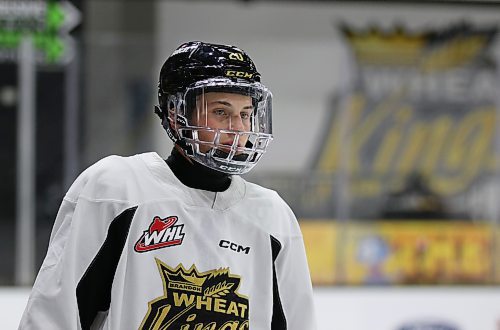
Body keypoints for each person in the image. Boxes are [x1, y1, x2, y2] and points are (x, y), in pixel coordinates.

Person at [19, 41, 317, 330]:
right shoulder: (118, 190)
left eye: (245, 114)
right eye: (221, 112)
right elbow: (56, 314)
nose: (238, 129)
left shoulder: (271, 216)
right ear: (175, 115)